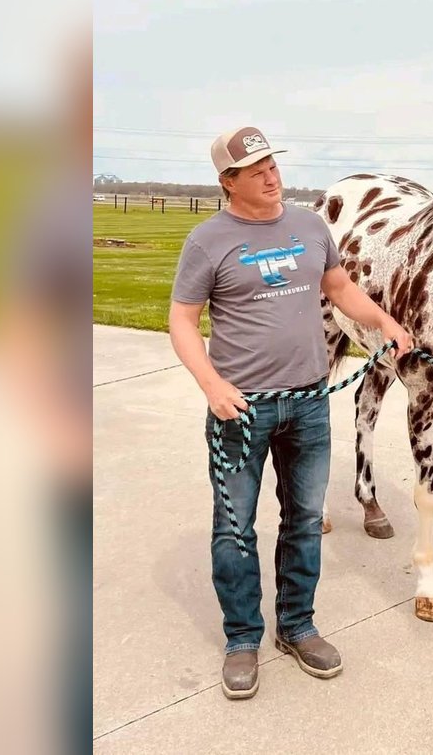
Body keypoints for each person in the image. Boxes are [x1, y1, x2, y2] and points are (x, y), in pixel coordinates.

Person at [169, 125, 413, 698]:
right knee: (234, 530)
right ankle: (242, 638)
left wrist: (384, 321)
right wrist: (210, 384)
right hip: (240, 412)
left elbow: (339, 287)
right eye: (256, 171)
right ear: (229, 182)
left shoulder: (309, 226)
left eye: (273, 165)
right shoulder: (208, 241)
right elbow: (182, 322)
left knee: (303, 523)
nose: (272, 177)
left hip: (307, 404)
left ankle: (297, 627)